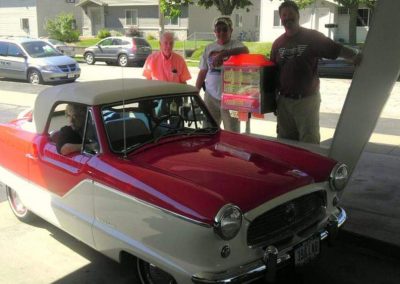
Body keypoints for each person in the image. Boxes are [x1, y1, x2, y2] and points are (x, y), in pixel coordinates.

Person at [270, 1, 362, 144]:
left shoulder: (312, 37)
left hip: (306, 101)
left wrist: (354, 56)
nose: (287, 17)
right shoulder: (277, 44)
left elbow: (335, 48)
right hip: (284, 103)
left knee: (310, 144)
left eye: (290, 13)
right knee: (285, 143)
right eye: (284, 15)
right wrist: (273, 101)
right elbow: (274, 73)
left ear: (298, 15)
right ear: (281, 18)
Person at [196, 16, 249, 132]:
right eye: (218, 30)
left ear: (231, 31)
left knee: (232, 131)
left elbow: (246, 51)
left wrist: (223, 54)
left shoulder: (236, 45)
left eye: (225, 29)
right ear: (214, 32)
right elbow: (203, 72)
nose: (221, 32)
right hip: (210, 96)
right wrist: (195, 91)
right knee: (208, 130)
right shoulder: (209, 48)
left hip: (232, 98)